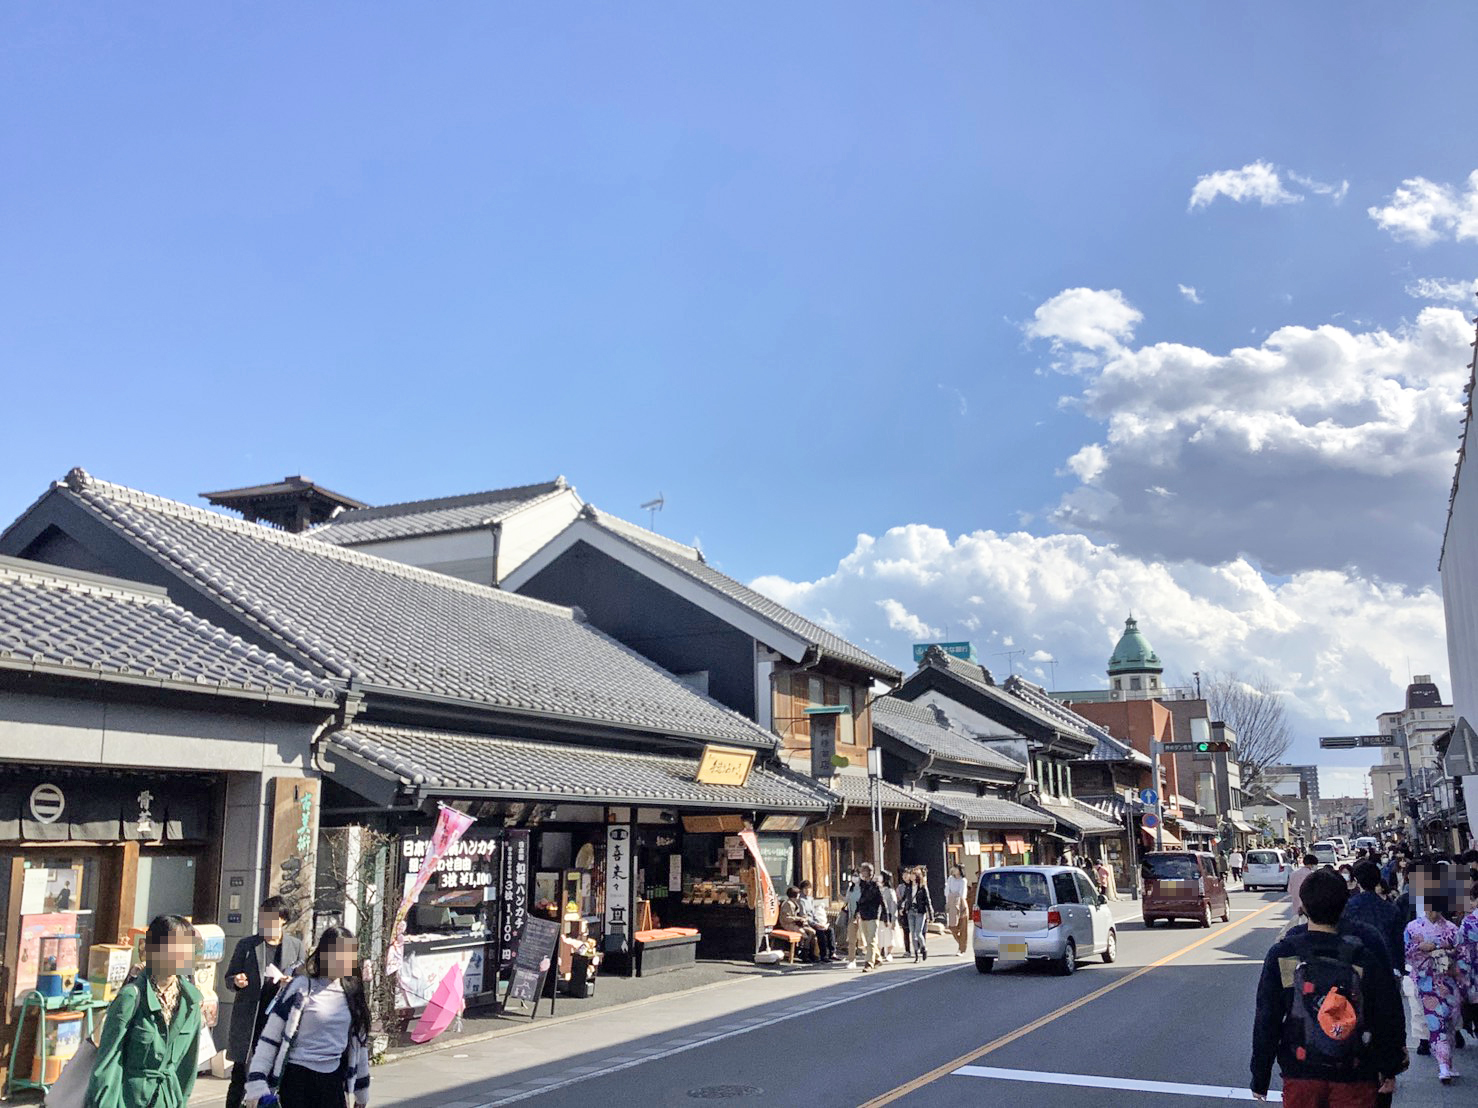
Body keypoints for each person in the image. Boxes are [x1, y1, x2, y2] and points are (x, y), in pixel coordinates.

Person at [1250, 869, 1403, 1105]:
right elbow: (1387, 1011)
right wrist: (1390, 1066)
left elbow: (1267, 1017)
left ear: (1304, 906)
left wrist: (1260, 1074)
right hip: (1355, 1070)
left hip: (1301, 1070)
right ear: (1344, 905)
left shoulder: (1286, 953)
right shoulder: (1365, 947)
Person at [245, 925, 372, 1108]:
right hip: (297, 1080)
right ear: (326, 954)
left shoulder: (352, 992)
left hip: (333, 1081)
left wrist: (362, 1093)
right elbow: (269, 1039)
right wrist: (257, 1084)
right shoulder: (301, 987)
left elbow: (359, 1046)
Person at [86, 914, 203, 1108]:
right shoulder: (132, 997)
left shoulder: (190, 1002)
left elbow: (187, 1067)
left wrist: (179, 1101)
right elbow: (107, 1062)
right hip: (128, 1099)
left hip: (166, 1101)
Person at [223, 896, 305, 1108]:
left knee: (274, 1076)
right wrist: (237, 981)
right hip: (251, 1019)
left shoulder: (296, 946)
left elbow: (304, 981)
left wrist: (292, 982)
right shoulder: (248, 945)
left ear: (283, 920)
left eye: (271, 918)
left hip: (279, 1020)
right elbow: (229, 979)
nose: (266, 922)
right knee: (240, 1077)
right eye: (263, 917)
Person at [1405, 889, 1462, 1082]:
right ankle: (1443, 1066)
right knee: (1436, 1023)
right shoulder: (1413, 928)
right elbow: (1407, 953)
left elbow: (1460, 952)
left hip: (1449, 981)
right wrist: (1419, 948)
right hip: (1427, 982)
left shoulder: (1452, 929)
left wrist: (1443, 948)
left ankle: (1448, 1064)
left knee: (1450, 1022)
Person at [1341, 861, 1404, 975]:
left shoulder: (1349, 907)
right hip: (1386, 965)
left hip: (1358, 966)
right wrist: (1400, 968)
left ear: (1356, 881)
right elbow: (1398, 942)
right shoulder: (1391, 908)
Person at [853, 863, 888, 972]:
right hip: (863, 915)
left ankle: (869, 963)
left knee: (871, 939)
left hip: (873, 915)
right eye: (862, 871)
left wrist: (886, 917)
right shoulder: (861, 885)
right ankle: (877, 958)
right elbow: (858, 900)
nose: (863, 874)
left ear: (870, 872)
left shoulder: (876, 885)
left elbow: (883, 902)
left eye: (865, 871)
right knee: (868, 941)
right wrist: (856, 912)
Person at [777, 885, 817, 962]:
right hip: (788, 924)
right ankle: (803, 953)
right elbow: (786, 918)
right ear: (794, 895)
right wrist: (799, 918)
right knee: (804, 935)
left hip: (795, 923)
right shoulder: (787, 904)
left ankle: (808, 952)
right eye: (798, 894)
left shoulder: (794, 902)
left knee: (812, 932)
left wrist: (802, 918)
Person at [798, 881, 835, 962]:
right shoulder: (801, 900)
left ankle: (832, 953)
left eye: (809, 889)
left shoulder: (811, 899)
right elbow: (804, 915)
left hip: (815, 921)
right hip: (807, 923)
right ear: (802, 890)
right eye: (805, 889)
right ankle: (823, 955)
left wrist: (820, 923)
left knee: (830, 930)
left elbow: (814, 913)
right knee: (820, 933)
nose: (807, 891)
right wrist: (815, 924)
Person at [908, 867, 934, 962]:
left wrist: (931, 914)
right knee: (912, 933)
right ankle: (916, 955)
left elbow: (928, 901)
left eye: (913, 874)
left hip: (920, 911)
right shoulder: (909, 887)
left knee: (918, 932)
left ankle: (923, 947)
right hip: (911, 911)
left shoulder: (922, 888)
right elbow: (905, 898)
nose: (911, 876)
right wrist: (902, 907)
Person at [945, 864, 969, 955]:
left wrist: (954, 895)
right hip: (952, 904)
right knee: (952, 926)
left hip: (961, 904)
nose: (953, 869)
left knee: (963, 927)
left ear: (959, 870)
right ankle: (961, 944)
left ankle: (961, 949)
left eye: (955, 868)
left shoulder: (963, 880)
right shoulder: (950, 879)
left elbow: (962, 894)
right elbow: (946, 891)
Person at [1287, 853, 1317, 921]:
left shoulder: (1293, 874)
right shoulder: (1312, 875)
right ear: (1311, 864)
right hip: (1308, 908)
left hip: (1296, 907)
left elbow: (1289, 890)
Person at [842, 871, 863, 969]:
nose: (855, 878)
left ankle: (872, 958)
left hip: (863, 917)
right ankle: (851, 960)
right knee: (851, 939)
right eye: (853, 876)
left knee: (866, 939)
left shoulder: (864, 888)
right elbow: (847, 900)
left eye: (857, 876)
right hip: (852, 916)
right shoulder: (850, 888)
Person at [878, 872, 899, 962]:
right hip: (879, 917)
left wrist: (893, 919)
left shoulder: (890, 891)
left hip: (888, 918)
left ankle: (889, 953)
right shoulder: (878, 889)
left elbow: (893, 905)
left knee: (889, 936)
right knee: (880, 936)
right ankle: (879, 954)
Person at [896, 870, 915, 957]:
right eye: (903, 875)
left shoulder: (915, 886)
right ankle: (907, 950)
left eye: (907, 875)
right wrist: (901, 908)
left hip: (914, 911)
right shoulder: (901, 887)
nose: (905, 877)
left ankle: (917, 948)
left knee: (915, 931)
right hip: (904, 911)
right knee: (906, 931)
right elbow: (901, 899)